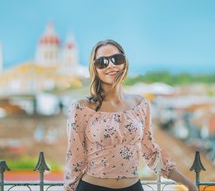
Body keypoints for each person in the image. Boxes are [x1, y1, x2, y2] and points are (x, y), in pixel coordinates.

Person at [64, 39, 198, 191]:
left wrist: (189, 184)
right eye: (102, 62)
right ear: (94, 68)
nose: (111, 65)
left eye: (117, 59)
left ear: (125, 63)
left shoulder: (140, 104)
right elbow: (75, 158)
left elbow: (152, 153)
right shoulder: (81, 108)